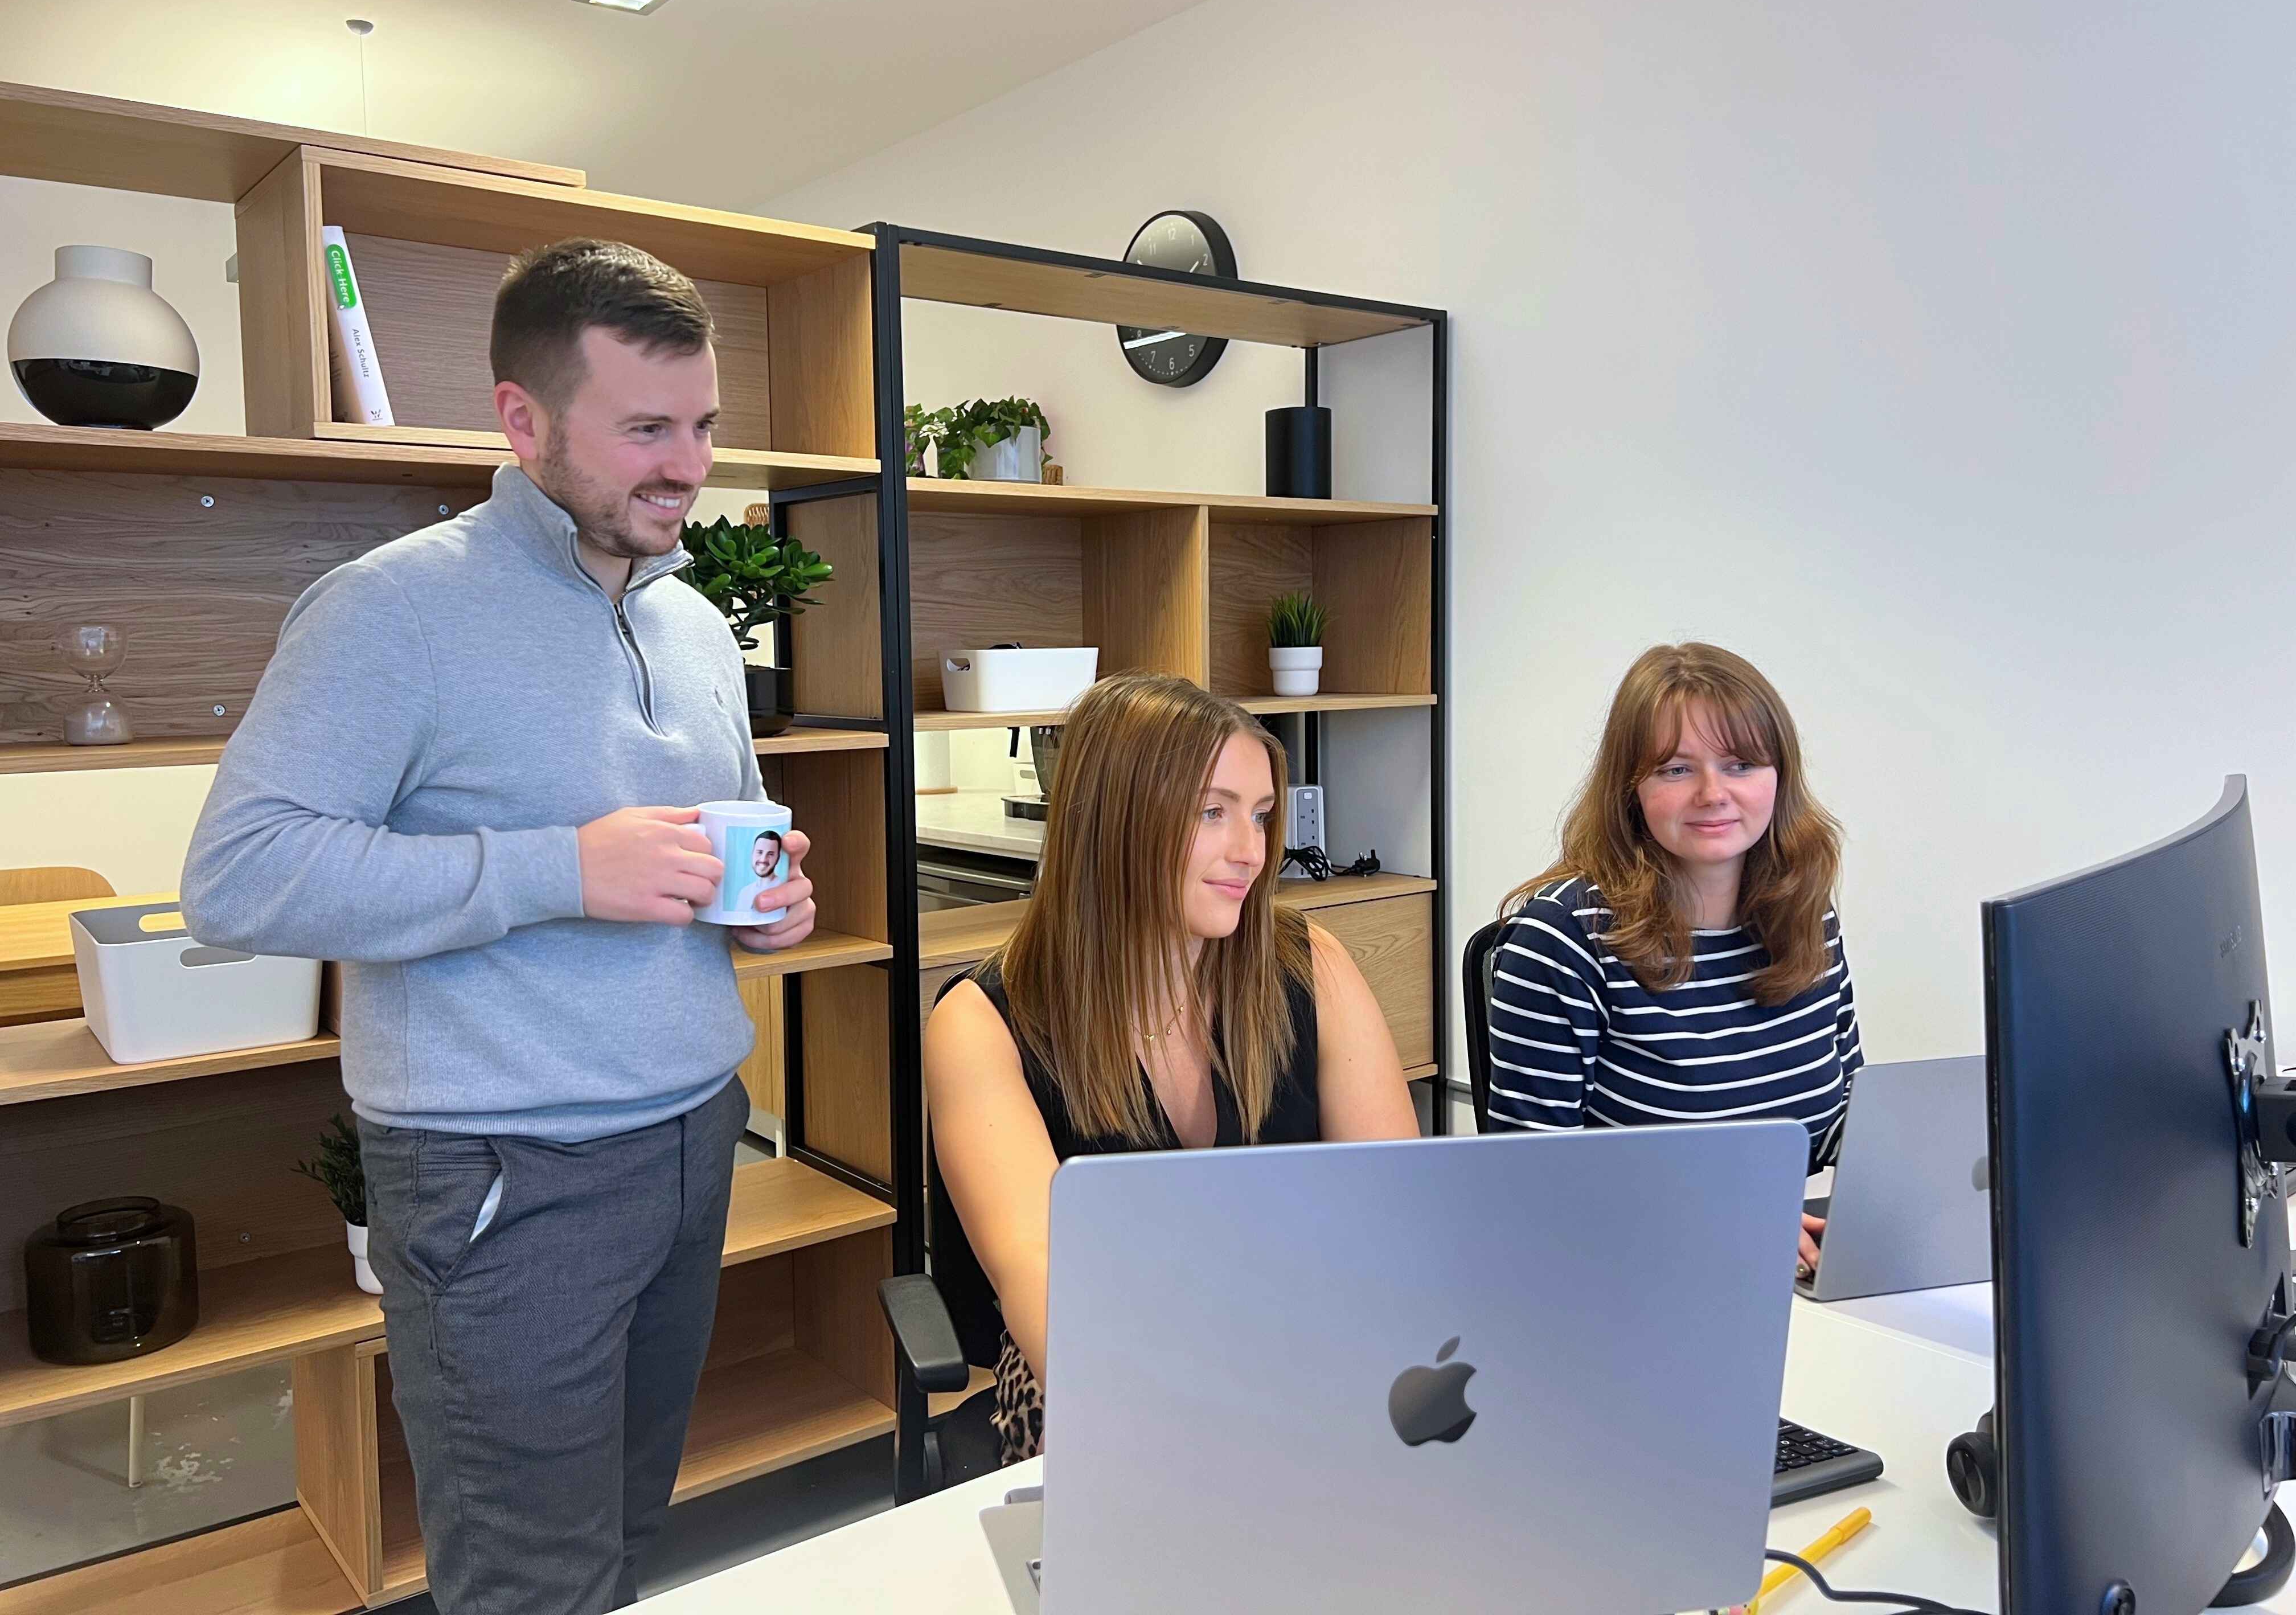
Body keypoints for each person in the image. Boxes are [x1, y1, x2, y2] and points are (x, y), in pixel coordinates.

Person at [180, 239, 817, 1615]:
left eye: (702, 425)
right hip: (502, 1175)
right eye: (645, 429)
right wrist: (558, 871)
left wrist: (761, 907)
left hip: (698, 1135)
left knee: (631, 1540)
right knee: (531, 1585)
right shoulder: (391, 611)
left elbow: (715, 838)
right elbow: (240, 878)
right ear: (521, 422)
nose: (690, 466)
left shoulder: (699, 622)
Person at [926, 673, 1420, 1464]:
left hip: (1306, 1358)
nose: (1251, 851)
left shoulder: (1307, 963)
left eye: (1261, 816)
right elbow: (1048, 1295)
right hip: (1107, 1396)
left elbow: (1398, 1213)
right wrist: (1248, 1428)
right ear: (1117, 821)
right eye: (1212, 812)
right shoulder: (983, 1025)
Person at [1485, 642, 1860, 1274]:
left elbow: (1843, 1118)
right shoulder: (1561, 940)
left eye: (1741, 764)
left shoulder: (1806, 913)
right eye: (1676, 770)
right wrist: (1725, 1216)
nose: (1714, 794)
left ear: (1780, 778)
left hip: (1792, 1266)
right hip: (1636, 1275)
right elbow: (1528, 1192)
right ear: (1630, 790)